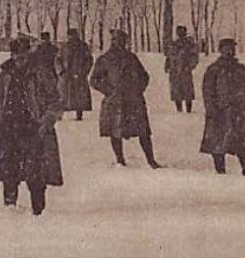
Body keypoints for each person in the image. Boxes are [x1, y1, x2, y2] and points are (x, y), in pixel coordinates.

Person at [0, 36, 64, 215]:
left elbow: (55, 101)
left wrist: (46, 122)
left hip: (33, 127)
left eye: (22, 55)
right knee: (9, 168)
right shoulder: (6, 73)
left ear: (28, 53)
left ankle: (38, 209)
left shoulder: (41, 72)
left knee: (35, 170)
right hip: (8, 126)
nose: (18, 59)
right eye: (15, 55)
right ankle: (10, 206)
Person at [89, 29, 160, 169]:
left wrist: (138, 90)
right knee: (115, 131)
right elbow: (94, 80)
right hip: (115, 101)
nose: (121, 44)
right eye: (118, 41)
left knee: (143, 131)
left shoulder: (132, 58)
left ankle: (151, 160)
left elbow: (144, 76)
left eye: (123, 41)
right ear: (113, 42)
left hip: (134, 100)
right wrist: (109, 91)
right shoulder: (104, 59)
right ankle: (120, 159)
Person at [200, 38, 245, 176]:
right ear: (220, 50)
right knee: (218, 142)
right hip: (220, 111)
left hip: (239, 111)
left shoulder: (240, 68)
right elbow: (207, 91)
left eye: (232, 48)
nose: (230, 51)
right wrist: (211, 109)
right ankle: (220, 170)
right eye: (226, 48)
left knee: (242, 140)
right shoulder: (214, 69)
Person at [55, 28, 94, 121]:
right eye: (70, 35)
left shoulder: (83, 46)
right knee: (64, 95)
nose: (71, 37)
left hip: (79, 74)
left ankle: (79, 113)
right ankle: (60, 113)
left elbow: (89, 60)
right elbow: (58, 60)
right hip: (67, 75)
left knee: (79, 96)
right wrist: (61, 71)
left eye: (72, 35)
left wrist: (84, 71)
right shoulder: (64, 47)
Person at [165, 25, 200, 113]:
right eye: (178, 32)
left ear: (185, 32)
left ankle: (188, 110)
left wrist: (189, 67)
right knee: (176, 91)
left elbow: (194, 57)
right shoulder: (174, 44)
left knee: (187, 90)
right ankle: (179, 110)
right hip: (175, 71)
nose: (180, 34)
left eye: (182, 32)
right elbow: (169, 56)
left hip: (185, 71)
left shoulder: (189, 44)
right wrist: (167, 65)